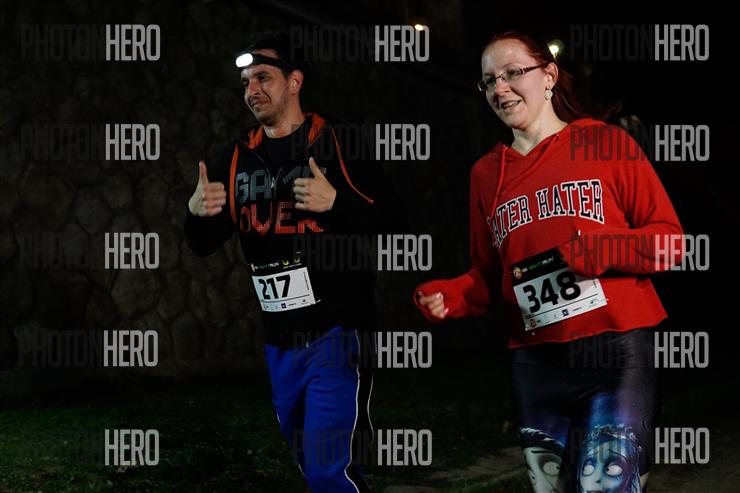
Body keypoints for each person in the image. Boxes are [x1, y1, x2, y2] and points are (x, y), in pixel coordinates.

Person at [414, 31, 683, 492]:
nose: (500, 88)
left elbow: (669, 243)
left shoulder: (604, 143)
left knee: (606, 485)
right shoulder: (485, 175)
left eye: (513, 73)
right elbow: (489, 275)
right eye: (489, 80)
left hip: (615, 355)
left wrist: (601, 250)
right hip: (535, 365)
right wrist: (453, 295)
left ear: (549, 76)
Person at [184, 30, 402, 492]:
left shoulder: (337, 140)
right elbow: (203, 243)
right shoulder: (236, 157)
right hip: (280, 340)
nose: (252, 90)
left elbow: (393, 217)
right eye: (246, 83)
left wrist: (336, 201)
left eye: (263, 77)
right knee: (309, 462)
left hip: (338, 332)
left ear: (295, 81)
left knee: (329, 469)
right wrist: (195, 213)